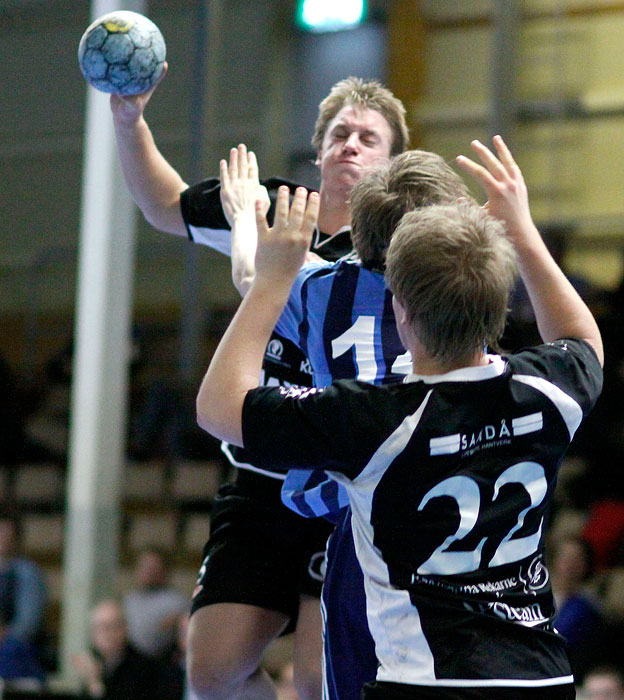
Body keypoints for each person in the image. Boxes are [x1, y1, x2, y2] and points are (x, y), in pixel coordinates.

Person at [195, 134, 604, 699]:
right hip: (537, 672)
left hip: (418, 657)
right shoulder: (546, 390)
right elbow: (583, 339)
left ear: (401, 308)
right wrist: (523, 233)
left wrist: (262, 261)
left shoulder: (374, 415)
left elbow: (220, 406)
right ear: (498, 302)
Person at [110, 69, 409, 700]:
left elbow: (263, 276)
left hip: (342, 490)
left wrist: (245, 220)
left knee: (321, 678)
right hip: (260, 481)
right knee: (211, 672)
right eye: (339, 133)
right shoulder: (272, 205)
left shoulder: (399, 246)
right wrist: (128, 121)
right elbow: (161, 205)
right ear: (318, 146)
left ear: (394, 161)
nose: (350, 145)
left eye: (368, 138)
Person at [221, 145, 470, 700]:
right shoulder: (460, 294)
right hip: (448, 514)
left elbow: (248, 276)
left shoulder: (320, 286)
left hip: (354, 517)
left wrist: (243, 213)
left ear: (361, 230)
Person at [72, 598, 182, 700]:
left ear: (125, 628)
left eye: (114, 626)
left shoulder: (144, 668)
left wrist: (95, 684)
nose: (109, 634)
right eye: (102, 627)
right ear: (92, 633)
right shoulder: (91, 660)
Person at [0, 510, 47, 684]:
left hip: (14, 647)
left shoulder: (27, 572)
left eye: (7, 534)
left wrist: (4, 634)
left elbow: (28, 623)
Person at [550, 535, 604, 680]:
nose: (570, 565)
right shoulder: (533, 596)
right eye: (565, 557)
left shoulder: (588, 607)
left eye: (577, 559)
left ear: (586, 564)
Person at [123, 547, 188, 661]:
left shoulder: (176, 601)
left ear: (164, 571)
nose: (147, 572)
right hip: (131, 663)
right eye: (144, 567)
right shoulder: (129, 599)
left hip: (163, 662)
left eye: (153, 568)